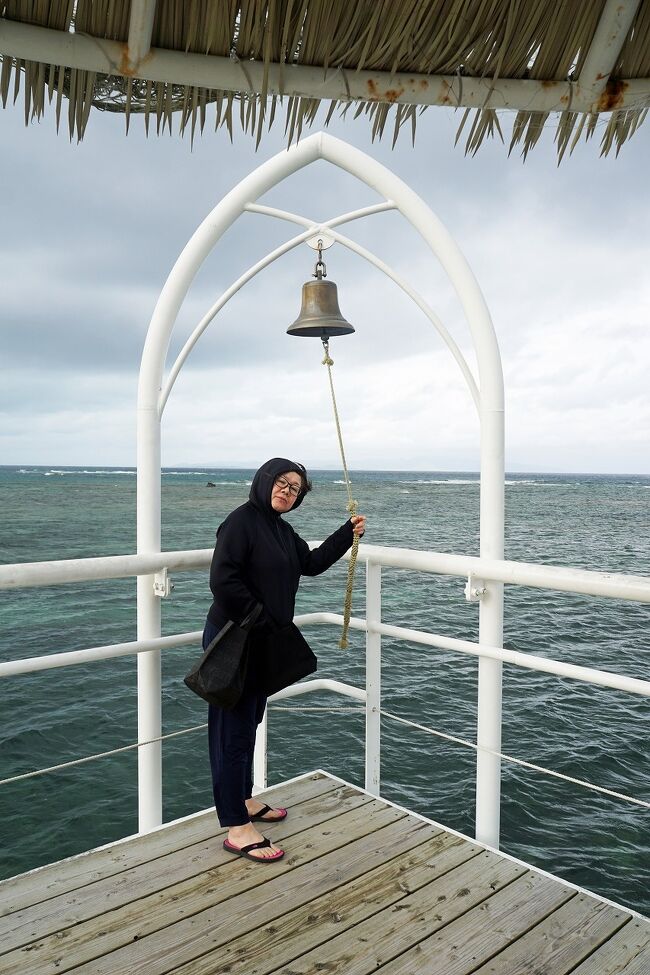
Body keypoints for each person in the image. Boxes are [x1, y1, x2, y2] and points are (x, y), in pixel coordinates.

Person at [203, 457, 366, 863]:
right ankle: (236, 827)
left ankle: (243, 800)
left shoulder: (280, 529)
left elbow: (309, 564)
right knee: (232, 732)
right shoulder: (241, 522)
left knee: (249, 721)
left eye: (295, 489)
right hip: (235, 640)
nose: (287, 492)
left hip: (261, 640)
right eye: (282, 482)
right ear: (263, 481)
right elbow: (223, 580)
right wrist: (259, 617)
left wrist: (347, 534)